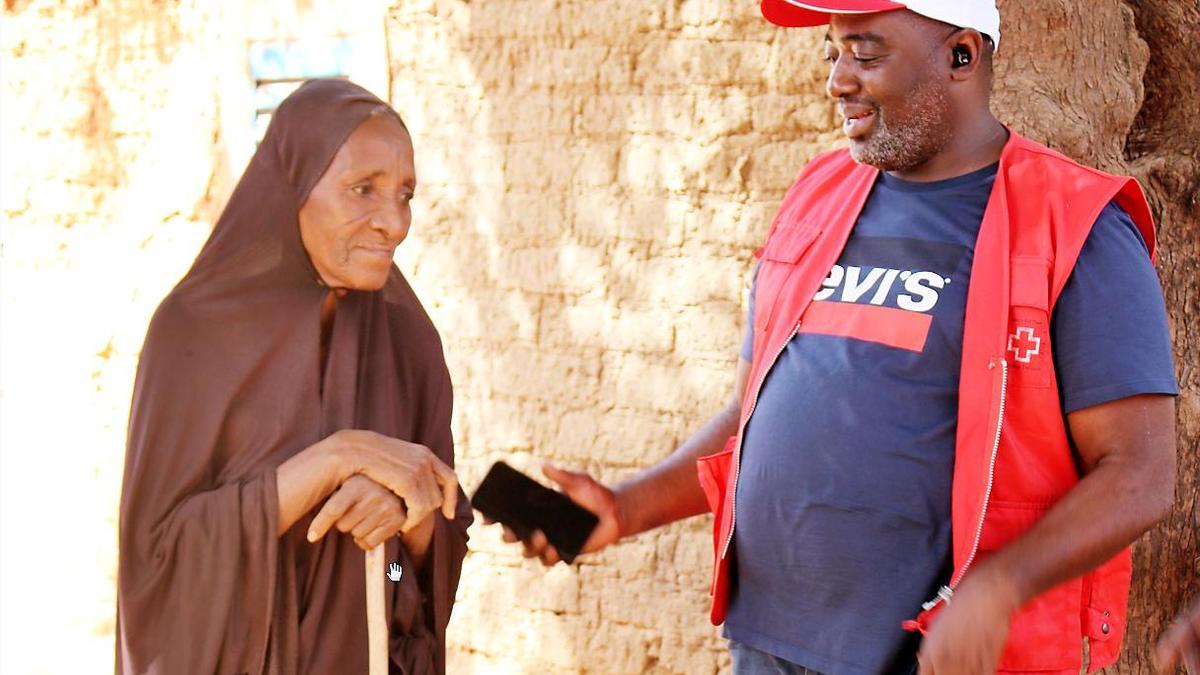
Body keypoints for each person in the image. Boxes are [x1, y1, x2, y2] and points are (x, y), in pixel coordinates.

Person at [498, 2, 1179, 673]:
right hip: (768, 643)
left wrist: (1000, 587)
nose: (837, 80)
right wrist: (624, 507)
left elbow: (1139, 474)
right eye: (833, 53)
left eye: (866, 52)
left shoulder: (1075, 225)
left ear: (961, 55)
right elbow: (753, 417)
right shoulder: (818, 193)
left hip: (940, 654)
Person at [116, 79, 472, 675]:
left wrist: (408, 523)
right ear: (293, 188)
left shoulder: (409, 345)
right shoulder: (194, 335)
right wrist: (336, 458)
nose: (394, 222)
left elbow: (426, 565)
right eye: (364, 190)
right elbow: (155, 569)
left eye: (406, 194)